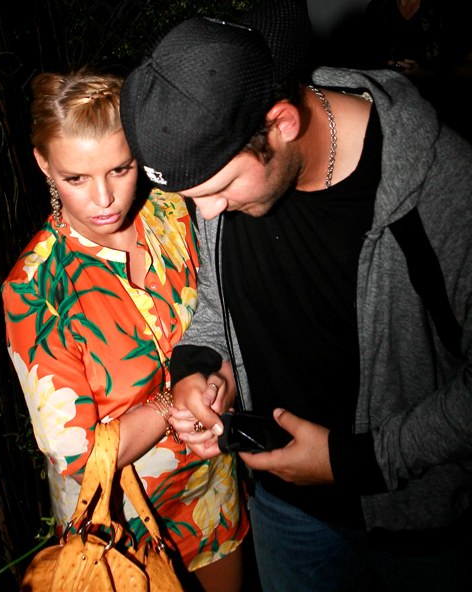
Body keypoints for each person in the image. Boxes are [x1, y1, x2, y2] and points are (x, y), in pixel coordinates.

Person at [119, 0, 472, 590]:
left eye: (219, 188)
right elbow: (218, 301)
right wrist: (201, 370)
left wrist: (354, 462)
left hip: (416, 530)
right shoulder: (223, 178)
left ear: (281, 123)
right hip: (284, 515)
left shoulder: (444, 186)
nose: (207, 214)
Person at [1, 68, 249, 592]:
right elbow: (78, 456)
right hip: (115, 527)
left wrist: (223, 380)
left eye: (120, 168)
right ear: (44, 164)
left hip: (210, 489)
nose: (104, 199)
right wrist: (173, 401)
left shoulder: (173, 213)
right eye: (76, 178)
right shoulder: (34, 289)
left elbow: (223, 317)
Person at [364, 0, 472, 140]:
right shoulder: (378, 8)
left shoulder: (451, 10)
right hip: (393, 117)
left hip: (447, 116)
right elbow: (367, 63)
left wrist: (429, 74)